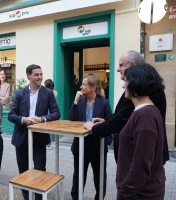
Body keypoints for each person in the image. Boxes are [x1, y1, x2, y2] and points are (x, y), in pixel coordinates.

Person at [84, 51, 169, 164]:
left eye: (121, 65)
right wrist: (105, 121)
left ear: (132, 65)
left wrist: (95, 128)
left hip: (137, 158)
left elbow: (121, 119)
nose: (118, 70)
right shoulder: (146, 85)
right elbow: (123, 115)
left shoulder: (141, 90)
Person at [8, 64, 60, 200]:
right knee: (24, 172)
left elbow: (56, 113)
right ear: (28, 76)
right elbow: (11, 115)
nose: (40, 77)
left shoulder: (47, 93)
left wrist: (42, 118)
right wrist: (24, 119)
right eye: (36, 74)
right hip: (21, 137)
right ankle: (27, 197)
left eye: (41, 74)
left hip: (39, 139)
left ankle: (38, 198)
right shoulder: (19, 93)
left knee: (39, 171)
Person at [116, 64, 165, 200]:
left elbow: (142, 163)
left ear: (136, 83)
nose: (123, 86)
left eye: (126, 81)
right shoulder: (145, 111)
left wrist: (124, 192)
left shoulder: (144, 116)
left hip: (139, 194)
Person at [68, 75, 112, 200]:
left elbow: (110, 122)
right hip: (80, 145)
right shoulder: (80, 101)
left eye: (84, 84)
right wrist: (75, 101)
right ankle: (76, 197)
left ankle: (99, 197)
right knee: (79, 175)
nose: (81, 86)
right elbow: (71, 119)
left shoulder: (104, 103)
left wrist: (107, 141)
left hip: (98, 145)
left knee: (99, 175)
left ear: (93, 87)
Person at [44, 79, 58, 149]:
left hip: (47, 110)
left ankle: (48, 143)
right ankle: (49, 144)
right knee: (50, 128)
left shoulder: (46, 92)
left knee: (46, 127)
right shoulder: (55, 92)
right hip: (52, 111)